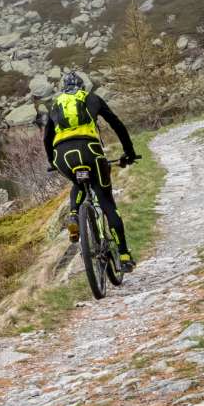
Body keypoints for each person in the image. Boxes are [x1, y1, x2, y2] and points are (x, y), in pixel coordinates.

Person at [40, 71, 141, 271]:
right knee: (106, 200)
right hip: (90, 151)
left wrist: (52, 161)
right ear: (81, 86)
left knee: (78, 183)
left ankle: (74, 214)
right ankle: (123, 254)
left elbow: (47, 138)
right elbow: (116, 124)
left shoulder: (56, 103)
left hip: (63, 155)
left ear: (63, 88)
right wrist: (128, 152)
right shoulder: (91, 98)